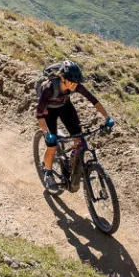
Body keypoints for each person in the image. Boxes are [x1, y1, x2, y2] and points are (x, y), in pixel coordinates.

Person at [36, 59, 114, 193]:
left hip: (65, 106)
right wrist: (46, 133)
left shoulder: (75, 84)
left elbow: (93, 100)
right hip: (48, 110)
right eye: (71, 82)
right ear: (62, 78)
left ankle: (74, 166)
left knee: (79, 139)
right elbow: (39, 114)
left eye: (76, 83)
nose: (74, 86)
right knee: (52, 145)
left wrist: (107, 117)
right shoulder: (49, 88)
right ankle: (48, 173)